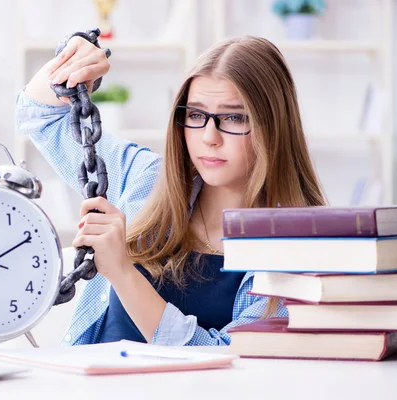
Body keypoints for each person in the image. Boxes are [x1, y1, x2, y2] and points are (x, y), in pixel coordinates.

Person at [16, 34, 326, 346]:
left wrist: (123, 274)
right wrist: (75, 57)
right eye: (196, 114)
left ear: (273, 124)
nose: (209, 137)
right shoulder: (147, 179)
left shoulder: (295, 244)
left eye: (233, 117)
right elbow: (40, 114)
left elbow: (232, 356)